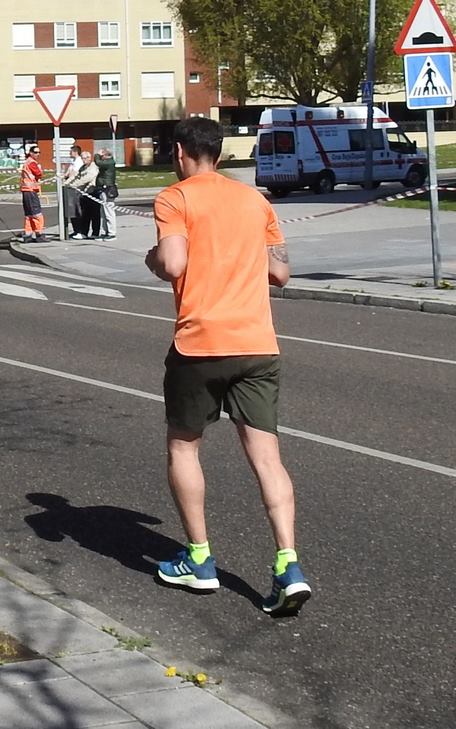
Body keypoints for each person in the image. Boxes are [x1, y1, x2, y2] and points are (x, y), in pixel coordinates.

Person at [145, 117, 311, 617]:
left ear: (179, 153)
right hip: (258, 343)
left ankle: (199, 560)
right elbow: (279, 271)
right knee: (267, 456)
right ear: (220, 153)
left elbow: (173, 264)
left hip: (201, 343)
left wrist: (151, 258)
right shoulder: (254, 200)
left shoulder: (175, 198)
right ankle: (289, 564)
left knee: (183, 445)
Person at [68, 149, 99, 240]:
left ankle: (95, 233)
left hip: (92, 192)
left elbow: (86, 178)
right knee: (85, 214)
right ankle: (84, 232)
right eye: (82, 158)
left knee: (95, 214)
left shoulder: (93, 167)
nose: (84, 160)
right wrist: (67, 183)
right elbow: (77, 176)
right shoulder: (83, 167)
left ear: (90, 158)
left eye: (85, 158)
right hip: (84, 193)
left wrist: (73, 185)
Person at [19, 145, 45, 241]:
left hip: (26, 190)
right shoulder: (32, 163)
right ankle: (39, 233)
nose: (37, 154)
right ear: (31, 153)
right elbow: (39, 174)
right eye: (35, 152)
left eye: (39, 152)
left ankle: (28, 233)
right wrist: (40, 169)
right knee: (36, 212)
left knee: (29, 213)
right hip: (31, 190)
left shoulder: (27, 162)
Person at [96, 149, 119, 241]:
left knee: (109, 212)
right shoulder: (108, 162)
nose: (101, 158)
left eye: (102, 156)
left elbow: (98, 162)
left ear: (105, 155)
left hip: (108, 189)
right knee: (103, 212)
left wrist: (97, 155)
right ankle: (105, 231)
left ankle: (112, 233)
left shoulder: (109, 162)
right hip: (103, 188)